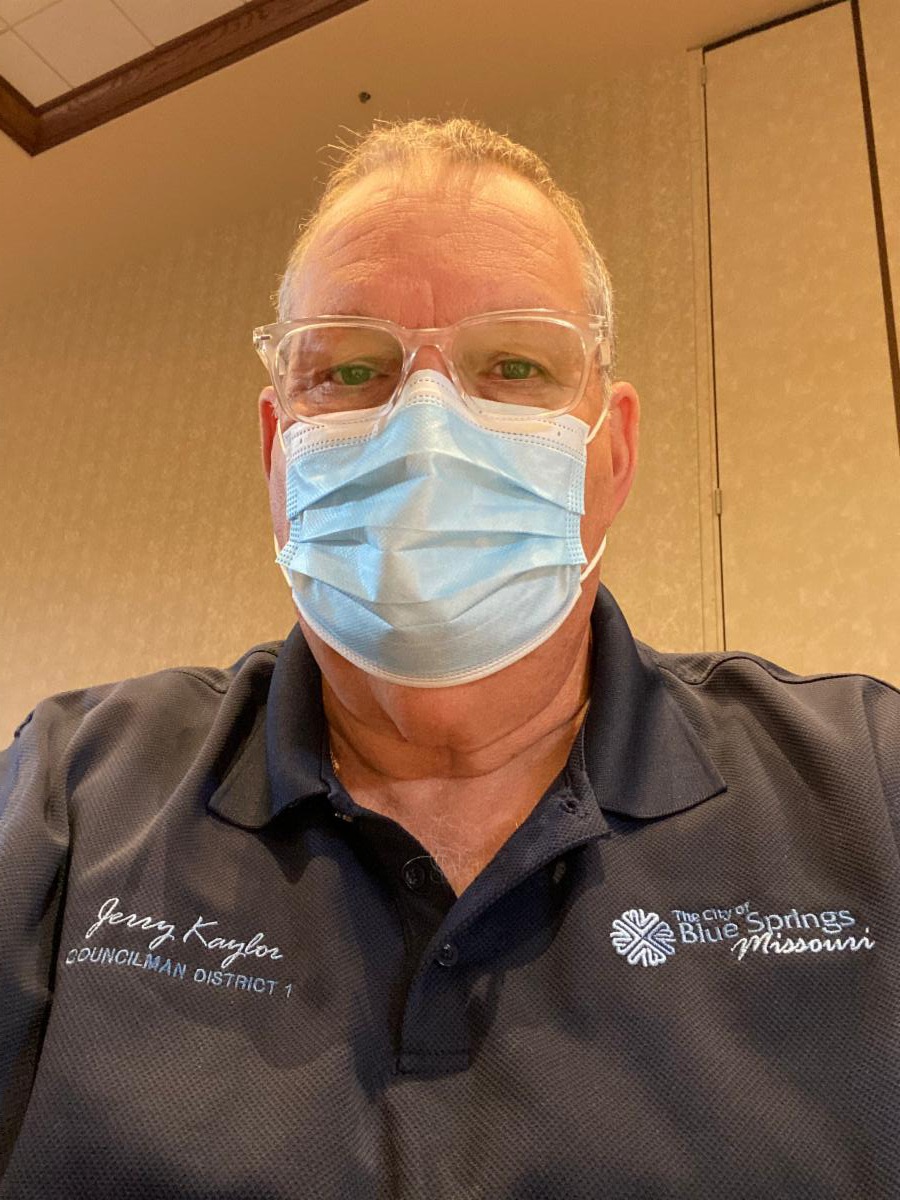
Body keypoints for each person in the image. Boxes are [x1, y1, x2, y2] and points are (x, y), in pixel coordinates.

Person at [1, 117, 897, 1200]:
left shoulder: (866, 786)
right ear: (278, 450)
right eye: (351, 369)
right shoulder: (74, 793)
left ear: (613, 452)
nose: (425, 434)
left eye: (514, 366)